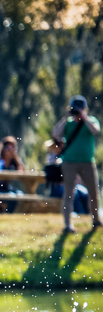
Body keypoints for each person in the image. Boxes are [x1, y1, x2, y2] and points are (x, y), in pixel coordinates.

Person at [51, 95, 102, 232]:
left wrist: (84, 117)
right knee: (68, 193)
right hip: (69, 163)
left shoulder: (91, 120)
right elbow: (55, 134)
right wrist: (66, 117)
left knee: (93, 192)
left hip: (87, 162)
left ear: (85, 109)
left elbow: (95, 130)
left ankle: (96, 220)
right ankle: (68, 225)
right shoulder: (68, 123)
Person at [0, 137, 24, 213]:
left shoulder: (15, 163)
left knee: (20, 194)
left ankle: (12, 214)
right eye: (7, 147)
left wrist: (16, 159)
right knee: (10, 196)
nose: (10, 150)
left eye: (12, 148)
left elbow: (22, 174)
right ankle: (6, 214)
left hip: (7, 188)